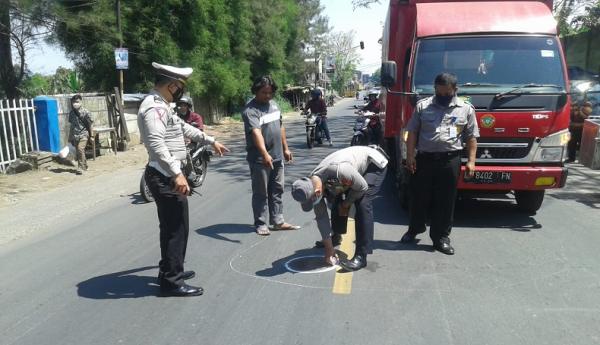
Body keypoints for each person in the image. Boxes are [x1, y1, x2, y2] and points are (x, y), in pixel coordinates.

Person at [138, 62, 229, 297]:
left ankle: (169, 269)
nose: (181, 91)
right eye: (179, 86)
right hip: (165, 176)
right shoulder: (154, 108)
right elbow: (156, 143)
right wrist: (177, 174)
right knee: (177, 229)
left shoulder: (163, 106)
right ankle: (172, 281)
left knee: (170, 227)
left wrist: (210, 140)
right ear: (171, 85)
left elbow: (184, 128)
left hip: (165, 174)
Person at [399, 73, 479, 255]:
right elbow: (412, 133)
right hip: (424, 159)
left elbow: (472, 137)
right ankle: (414, 229)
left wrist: (471, 162)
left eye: (447, 93)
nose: (443, 97)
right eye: (439, 93)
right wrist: (410, 156)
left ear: (455, 90)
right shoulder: (423, 106)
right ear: (435, 89)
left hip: (450, 160)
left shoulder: (466, 109)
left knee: (446, 201)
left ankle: (441, 237)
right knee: (418, 197)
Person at [291, 146, 388, 270]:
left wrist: (346, 204)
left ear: (317, 191)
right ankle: (336, 236)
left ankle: (361, 256)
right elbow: (321, 218)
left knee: (363, 202)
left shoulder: (339, 170)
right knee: (336, 194)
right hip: (351, 171)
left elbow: (362, 187)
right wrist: (329, 249)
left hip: (373, 164)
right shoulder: (312, 182)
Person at [242, 76, 299, 236]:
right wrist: (265, 154)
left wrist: (286, 148)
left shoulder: (274, 105)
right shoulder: (250, 110)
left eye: (270, 92)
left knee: (277, 190)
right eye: (264, 92)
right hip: (260, 160)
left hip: (278, 156)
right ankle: (261, 223)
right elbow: (256, 133)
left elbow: (280, 127)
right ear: (256, 91)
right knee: (261, 192)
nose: (267, 95)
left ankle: (278, 221)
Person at [68, 94, 93, 175]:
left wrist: (92, 136)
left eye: (77, 102)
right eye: (74, 102)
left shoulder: (86, 112)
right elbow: (71, 126)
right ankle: (85, 166)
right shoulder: (71, 113)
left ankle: (80, 167)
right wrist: (70, 137)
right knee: (79, 152)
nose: (75, 103)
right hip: (75, 135)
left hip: (84, 134)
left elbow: (90, 125)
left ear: (81, 102)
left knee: (80, 149)